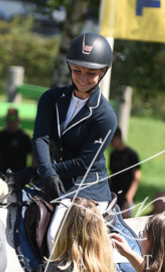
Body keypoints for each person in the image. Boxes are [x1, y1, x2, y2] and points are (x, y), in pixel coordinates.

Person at [27, 32, 117, 205]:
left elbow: (84, 163)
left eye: (91, 73)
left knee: (55, 232)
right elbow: (40, 138)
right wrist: (47, 173)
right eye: (77, 70)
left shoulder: (105, 116)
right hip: (52, 178)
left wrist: (38, 172)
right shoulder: (50, 98)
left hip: (87, 188)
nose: (82, 79)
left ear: (103, 71)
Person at [0, 107, 32, 178]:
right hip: (2, 174)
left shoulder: (24, 137)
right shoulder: (0, 136)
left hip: (19, 176)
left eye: (13, 118)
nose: (10, 121)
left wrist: (30, 174)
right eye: (8, 118)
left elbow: (33, 157)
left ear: (18, 120)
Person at [108, 129, 141, 217]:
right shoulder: (113, 154)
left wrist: (129, 198)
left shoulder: (131, 154)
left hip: (126, 194)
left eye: (112, 140)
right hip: (114, 193)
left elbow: (137, 176)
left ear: (118, 138)